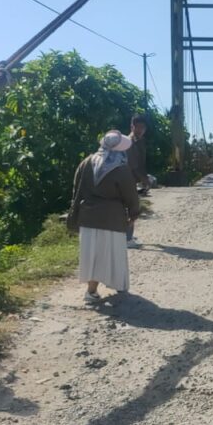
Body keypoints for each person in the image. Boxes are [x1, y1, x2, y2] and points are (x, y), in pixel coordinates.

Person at [69, 129, 141, 303]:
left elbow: (76, 189)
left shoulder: (86, 163)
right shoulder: (121, 169)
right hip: (112, 218)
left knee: (92, 254)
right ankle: (119, 284)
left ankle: (92, 290)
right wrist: (133, 214)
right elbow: (130, 194)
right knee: (113, 253)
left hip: (88, 217)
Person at [125, 115, 147, 249]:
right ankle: (127, 239)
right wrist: (145, 179)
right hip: (127, 180)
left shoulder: (139, 141)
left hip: (130, 179)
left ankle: (128, 236)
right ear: (131, 127)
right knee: (132, 209)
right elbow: (133, 165)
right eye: (137, 127)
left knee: (130, 208)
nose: (140, 130)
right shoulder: (129, 142)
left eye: (142, 127)